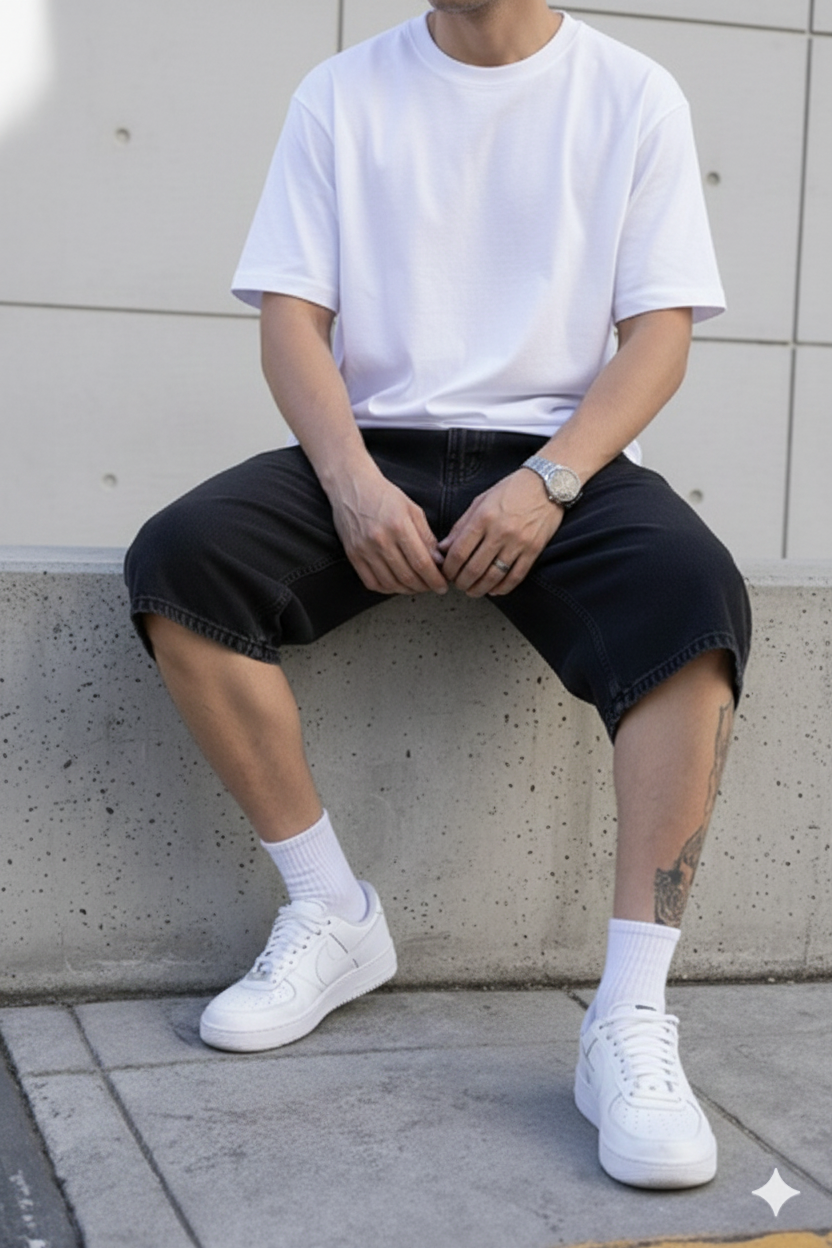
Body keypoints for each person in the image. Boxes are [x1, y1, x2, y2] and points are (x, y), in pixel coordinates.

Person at [124, 0, 751, 1191]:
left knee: (693, 601)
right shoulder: (342, 94)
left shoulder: (631, 93)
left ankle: (627, 1016)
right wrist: (350, 483)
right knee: (183, 558)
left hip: (560, 459)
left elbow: (658, 334)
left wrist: (550, 480)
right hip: (375, 449)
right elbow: (291, 320)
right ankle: (332, 914)